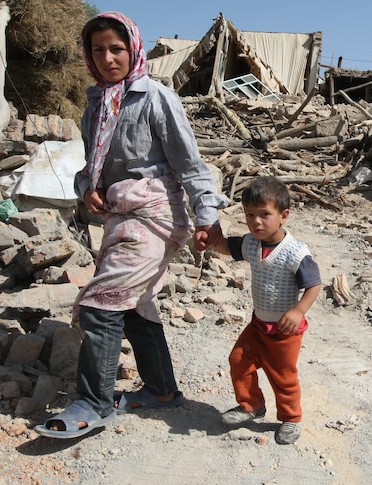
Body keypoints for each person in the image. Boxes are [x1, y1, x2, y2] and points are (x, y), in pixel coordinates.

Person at [35, 11, 230, 439]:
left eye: (116, 49)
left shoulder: (157, 98)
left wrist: (207, 219)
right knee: (136, 302)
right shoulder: (97, 104)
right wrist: (87, 187)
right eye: (98, 50)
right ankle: (161, 391)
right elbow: (92, 166)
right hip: (122, 216)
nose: (108, 58)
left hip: (157, 213)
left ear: (133, 49)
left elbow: (190, 165)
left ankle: (94, 402)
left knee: (102, 302)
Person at [197, 176, 322, 445]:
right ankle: (251, 405)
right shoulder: (251, 243)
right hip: (258, 324)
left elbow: (314, 285)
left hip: (284, 331)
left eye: (264, 214)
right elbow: (223, 247)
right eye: (250, 215)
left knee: (283, 377)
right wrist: (210, 239)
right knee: (239, 360)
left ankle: (290, 418)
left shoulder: (295, 252)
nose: (256, 222)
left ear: (283, 215)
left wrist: (299, 311)